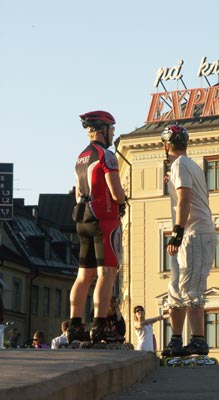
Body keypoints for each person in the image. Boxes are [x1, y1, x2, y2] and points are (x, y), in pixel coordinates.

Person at [67, 110, 128, 345]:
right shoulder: (106, 155)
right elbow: (116, 192)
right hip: (104, 219)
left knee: (84, 276)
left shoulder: (81, 157)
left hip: (82, 219)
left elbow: (78, 192)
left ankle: (75, 325)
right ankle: (100, 325)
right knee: (107, 272)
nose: (113, 133)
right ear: (103, 129)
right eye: (112, 129)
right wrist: (123, 200)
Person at [160, 125, 217, 357]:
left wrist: (177, 233)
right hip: (190, 233)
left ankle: (198, 340)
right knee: (175, 288)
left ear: (165, 146)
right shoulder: (188, 165)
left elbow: (184, 200)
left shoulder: (181, 165)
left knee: (191, 288)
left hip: (194, 234)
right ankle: (175, 339)